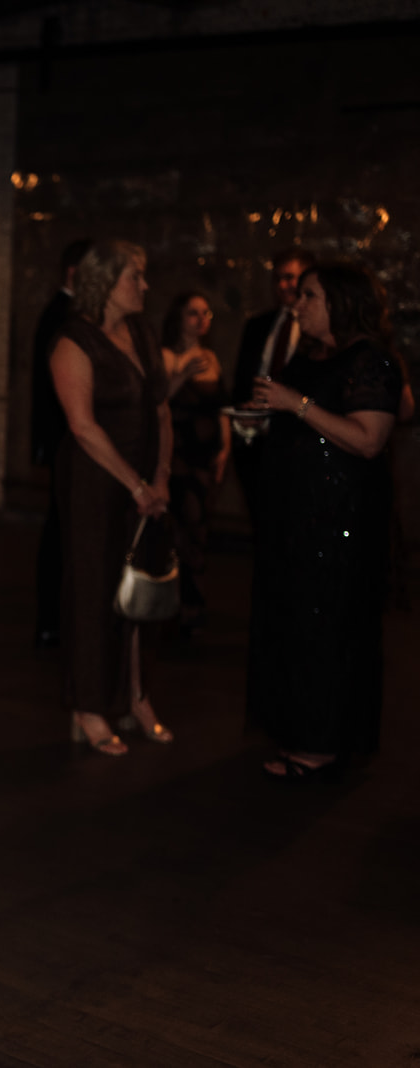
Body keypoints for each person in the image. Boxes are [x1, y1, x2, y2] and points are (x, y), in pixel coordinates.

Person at [246, 263, 403, 778]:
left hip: (341, 522)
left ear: (338, 300)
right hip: (296, 518)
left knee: (329, 626)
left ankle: (323, 744)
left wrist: (297, 404)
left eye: (309, 295)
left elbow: (368, 439)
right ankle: (299, 731)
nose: (298, 303)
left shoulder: (371, 360)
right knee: (293, 622)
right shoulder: (309, 356)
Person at [49, 240, 174, 755]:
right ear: (106, 282)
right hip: (97, 484)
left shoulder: (142, 333)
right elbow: (82, 427)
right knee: (95, 591)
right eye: (134, 277)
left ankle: (135, 696)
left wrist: (161, 476)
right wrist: (136, 484)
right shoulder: (72, 341)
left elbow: (162, 411)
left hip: (145, 483)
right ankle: (91, 708)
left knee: (137, 592)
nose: (144, 286)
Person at [32, 239, 92, 648]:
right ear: (74, 271)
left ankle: (56, 618)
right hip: (64, 438)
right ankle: (51, 619)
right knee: (60, 530)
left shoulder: (70, 313)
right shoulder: (61, 314)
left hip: (63, 437)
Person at [161, 291, 230, 634]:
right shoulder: (166, 356)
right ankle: (176, 601)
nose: (201, 320)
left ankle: (194, 601)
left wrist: (225, 448)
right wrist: (182, 374)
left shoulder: (212, 359)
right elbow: (158, 404)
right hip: (177, 457)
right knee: (179, 527)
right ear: (179, 318)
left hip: (204, 457)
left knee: (199, 528)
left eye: (206, 314)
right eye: (193, 313)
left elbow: (221, 408)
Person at [232, 248, 314, 525]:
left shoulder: (317, 329)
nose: (283, 285)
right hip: (257, 447)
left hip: (300, 445)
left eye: (291, 278)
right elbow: (243, 380)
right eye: (278, 278)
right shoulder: (258, 325)